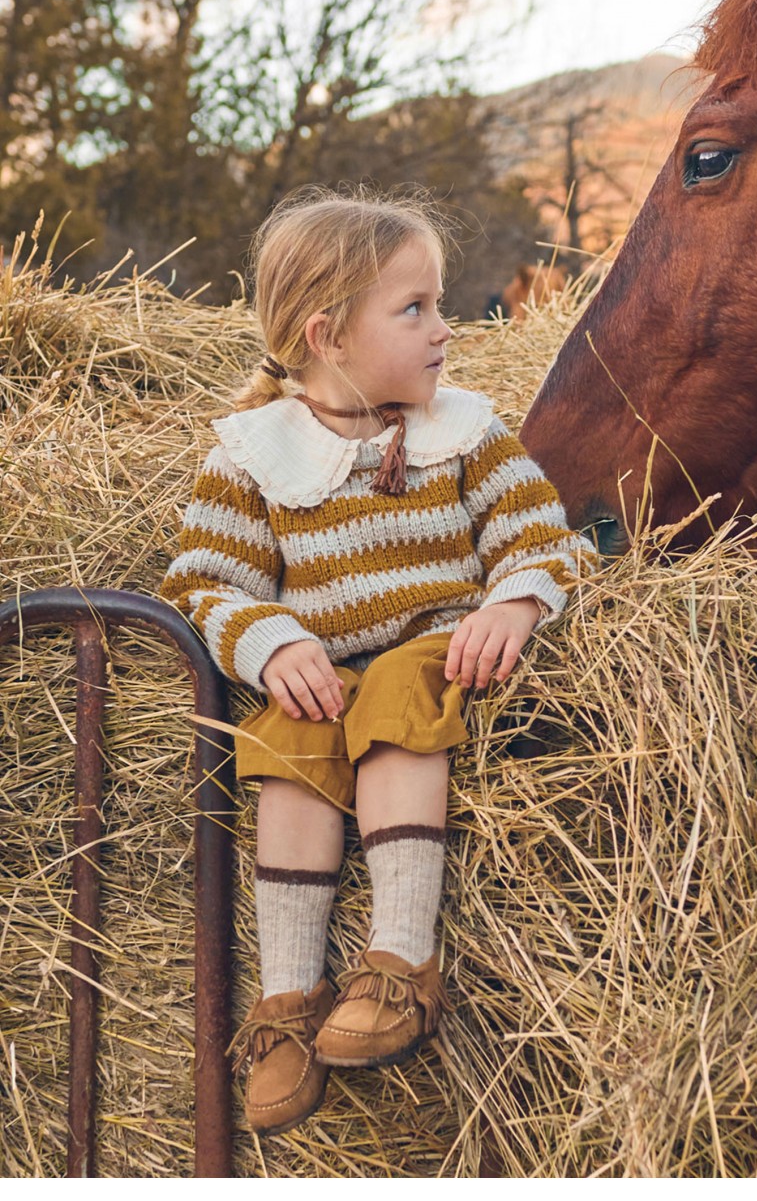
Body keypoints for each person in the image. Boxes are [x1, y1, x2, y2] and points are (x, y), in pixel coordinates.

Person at [159, 185, 595, 1137]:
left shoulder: (464, 433)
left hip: (434, 651)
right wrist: (272, 641)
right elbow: (202, 583)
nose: (445, 328)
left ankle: (401, 962)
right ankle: (288, 1001)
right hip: (328, 670)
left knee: (396, 687)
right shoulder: (254, 455)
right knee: (286, 734)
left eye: (439, 304)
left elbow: (543, 536)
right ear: (328, 336)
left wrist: (516, 601)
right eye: (415, 308)